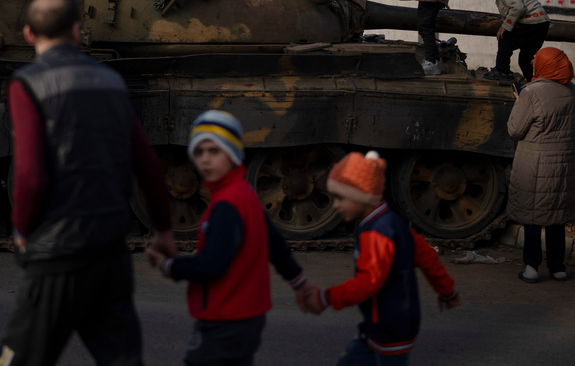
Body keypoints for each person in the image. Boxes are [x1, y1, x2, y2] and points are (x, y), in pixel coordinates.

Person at [0, 0, 176, 366]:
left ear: (27, 34)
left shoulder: (27, 84)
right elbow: (149, 166)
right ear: (77, 31)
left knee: (16, 360)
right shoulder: (111, 81)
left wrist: (22, 230)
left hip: (57, 253)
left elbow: (31, 176)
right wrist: (163, 230)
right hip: (109, 250)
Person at [145, 110, 312, 366]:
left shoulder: (226, 205)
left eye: (214, 151)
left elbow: (211, 265)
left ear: (232, 153)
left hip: (226, 317)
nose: (205, 160)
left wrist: (168, 266)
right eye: (199, 152)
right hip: (247, 317)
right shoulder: (244, 193)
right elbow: (274, 243)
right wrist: (298, 281)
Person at [302, 151, 461, 365]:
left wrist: (325, 298)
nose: (336, 205)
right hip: (383, 326)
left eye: (341, 197)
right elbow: (427, 258)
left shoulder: (376, 233)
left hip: (389, 329)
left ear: (362, 195)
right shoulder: (392, 221)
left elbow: (368, 283)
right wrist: (447, 291)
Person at [506, 47, 575, 283]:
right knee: (556, 216)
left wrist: (519, 102)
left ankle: (531, 267)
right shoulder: (573, 91)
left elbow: (514, 129)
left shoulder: (531, 93)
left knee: (533, 215)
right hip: (563, 164)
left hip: (535, 163)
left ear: (543, 66)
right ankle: (558, 267)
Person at [481, 0, 550, 81]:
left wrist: (505, 26)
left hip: (531, 22)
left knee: (504, 38)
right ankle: (532, 81)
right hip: (541, 24)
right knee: (525, 58)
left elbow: (518, 7)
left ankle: (501, 71)